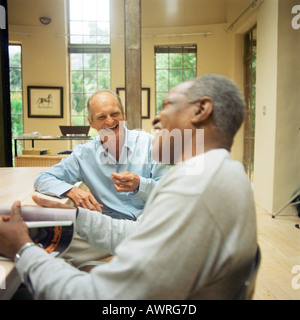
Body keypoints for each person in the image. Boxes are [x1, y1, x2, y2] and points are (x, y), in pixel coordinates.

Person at [0, 74, 258, 299]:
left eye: (167, 105)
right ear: (92, 122)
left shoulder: (195, 188)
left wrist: (23, 250)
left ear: (201, 110)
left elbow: (96, 296)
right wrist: (73, 216)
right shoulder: (220, 172)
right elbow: (138, 233)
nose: (156, 118)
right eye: (102, 117)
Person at [33, 89, 169, 266]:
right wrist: (71, 190)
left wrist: (139, 185)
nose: (110, 121)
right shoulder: (84, 154)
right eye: (101, 117)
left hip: (147, 226)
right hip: (107, 228)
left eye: (115, 114)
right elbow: (43, 178)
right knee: (51, 244)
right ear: (91, 122)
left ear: (124, 115)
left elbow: (168, 193)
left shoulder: (151, 144)